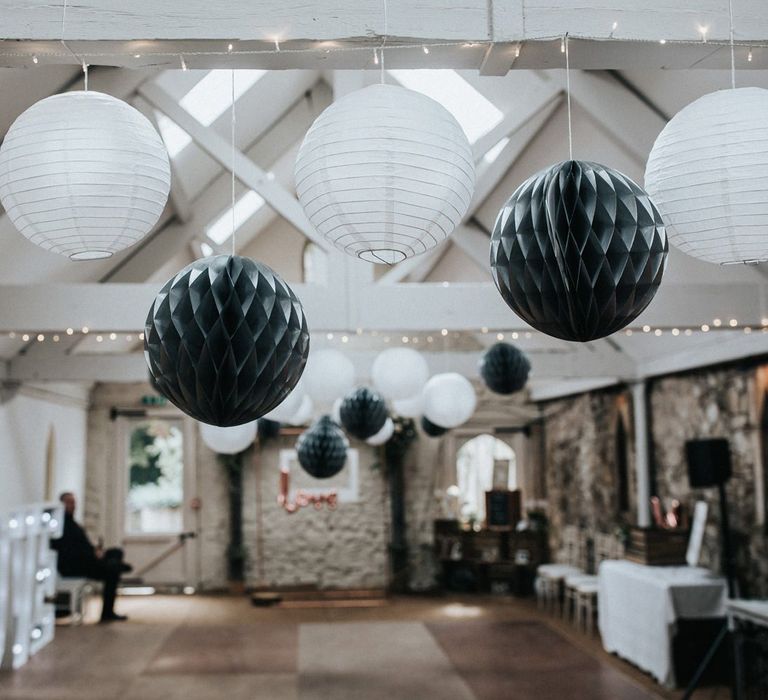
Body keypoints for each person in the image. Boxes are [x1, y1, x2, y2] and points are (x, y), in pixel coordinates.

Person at [50, 492, 132, 623]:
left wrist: (96, 551)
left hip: (85, 559)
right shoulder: (60, 526)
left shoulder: (73, 523)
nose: (73, 505)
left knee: (116, 552)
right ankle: (107, 612)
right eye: (69, 502)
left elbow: (82, 545)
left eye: (74, 502)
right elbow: (70, 551)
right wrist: (92, 554)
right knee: (112, 572)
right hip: (74, 565)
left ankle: (114, 563)